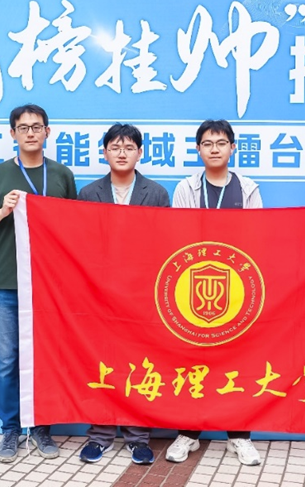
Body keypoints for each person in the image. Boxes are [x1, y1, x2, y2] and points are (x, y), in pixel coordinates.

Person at [0, 104, 77, 462]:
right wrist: (2, 211)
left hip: (49, 285)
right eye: (23, 127)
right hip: (5, 282)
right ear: (12, 133)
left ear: (48, 131)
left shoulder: (61, 175)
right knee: (6, 361)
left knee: (45, 358)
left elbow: (75, 228)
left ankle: (42, 428)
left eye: (37, 126)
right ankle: (10, 430)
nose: (31, 133)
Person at [166, 119, 263, 466]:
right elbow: (179, 236)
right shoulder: (186, 187)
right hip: (192, 286)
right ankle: (188, 434)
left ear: (233, 148)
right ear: (198, 149)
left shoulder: (248, 188)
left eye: (221, 143)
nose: (214, 149)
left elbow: (257, 236)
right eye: (207, 143)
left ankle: (239, 436)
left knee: (238, 361)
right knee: (191, 359)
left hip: (237, 289)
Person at [76, 123, 171, 466]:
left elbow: (165, 245)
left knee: (139, 362)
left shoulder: (156, 193)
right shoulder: (88, 193)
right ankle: (99, 435)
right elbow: (80, 243)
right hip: (99, 294)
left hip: (141, 294)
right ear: (104, 152)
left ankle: (138, 438)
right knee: (101, 362)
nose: (121, 153)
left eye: (128, 147)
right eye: (115, 147)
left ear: (139, 153)